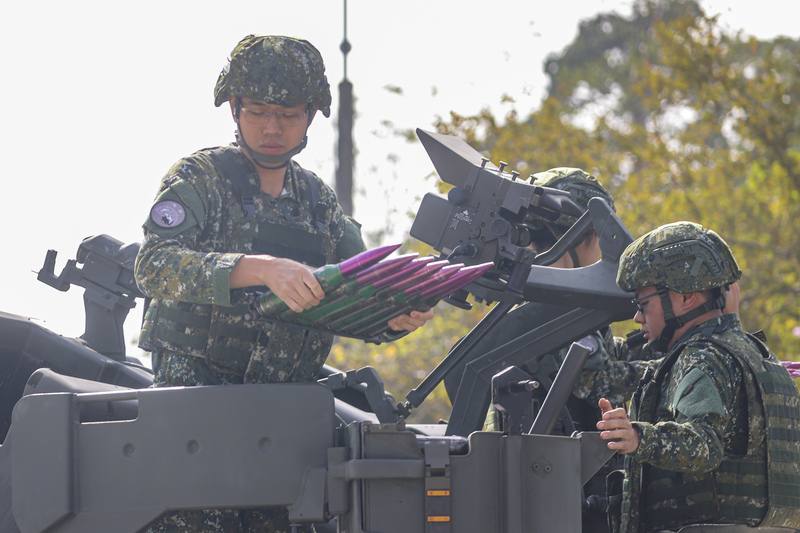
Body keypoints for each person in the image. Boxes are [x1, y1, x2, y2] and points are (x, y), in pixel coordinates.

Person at [134, 34, 432, 532]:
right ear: (234, 108)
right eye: (258, 111)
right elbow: (155, 264)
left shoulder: (317, 202)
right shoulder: (201, 178)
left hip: (284, 423)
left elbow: (361, 291)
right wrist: (257, 268)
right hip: (198, 412)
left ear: (311, 116)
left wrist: (397, 316)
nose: (272, 128)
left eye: (289, 114)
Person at [597, 221, 800, 533]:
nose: (637, 317)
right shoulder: (762, 358)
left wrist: (639, 437)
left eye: (643, 303)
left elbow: (703, 445)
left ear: (686, 297)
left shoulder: (702, 357)